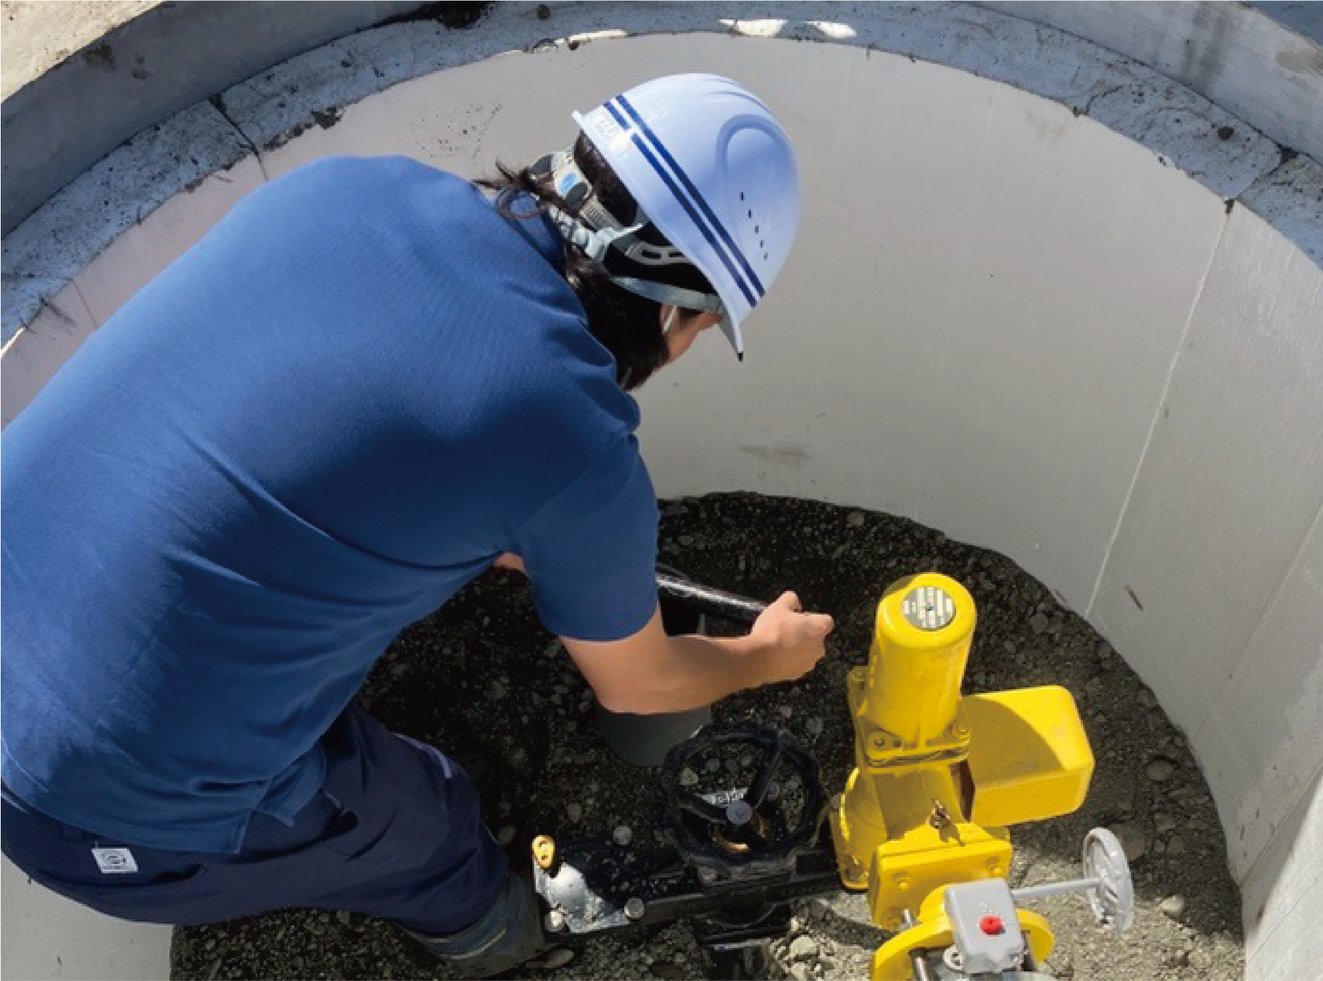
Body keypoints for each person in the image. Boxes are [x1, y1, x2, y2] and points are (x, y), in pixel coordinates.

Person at [0, 74, 833, 977]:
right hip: (84, 799)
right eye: (705, 326)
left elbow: (311, 416)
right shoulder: (573, 436)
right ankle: (489, 932)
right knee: (424, 814)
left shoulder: (355, 186)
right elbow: (642, 684)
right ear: (679, 305)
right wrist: (766, 655)